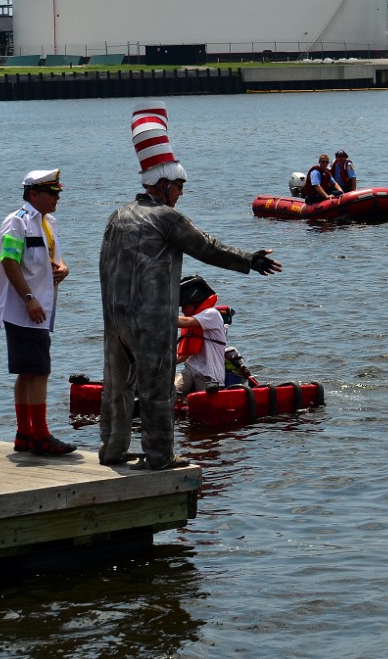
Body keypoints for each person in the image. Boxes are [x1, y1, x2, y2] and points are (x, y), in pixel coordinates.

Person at [98, 100, 282, 470]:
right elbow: (207, 247)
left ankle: (113, 450)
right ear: (163, 184)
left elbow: (104, 267)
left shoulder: (117, 216)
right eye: (179, 186)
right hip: (150, 320)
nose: (181, 193)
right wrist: (250, 260)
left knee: (117, 388)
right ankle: (161, 456)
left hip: (115, 319)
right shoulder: (166, 218)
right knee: (157, 388)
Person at [0, 168, 76, 456]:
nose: (57, 198)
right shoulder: (18, 223)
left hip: (38, 307)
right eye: (51, 193)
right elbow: (9, 260)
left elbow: (52, 256)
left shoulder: (45, 222)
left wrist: (64, 267)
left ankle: (25, 434)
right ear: (33, 194)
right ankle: (40, 436)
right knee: (38, 370)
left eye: (57, 193)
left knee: (28, 372)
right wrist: (28, 298)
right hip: (25, 309)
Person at [174, 275, 227, 396]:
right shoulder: (195, 323)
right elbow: (184, 356)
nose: (183, 311)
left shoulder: (211, 314)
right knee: (173, 391)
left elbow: (184, 322)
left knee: (201, 405)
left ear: (194, 303)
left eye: (184, 306)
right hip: (190, 369)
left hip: (209, 374)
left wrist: (156, 315)